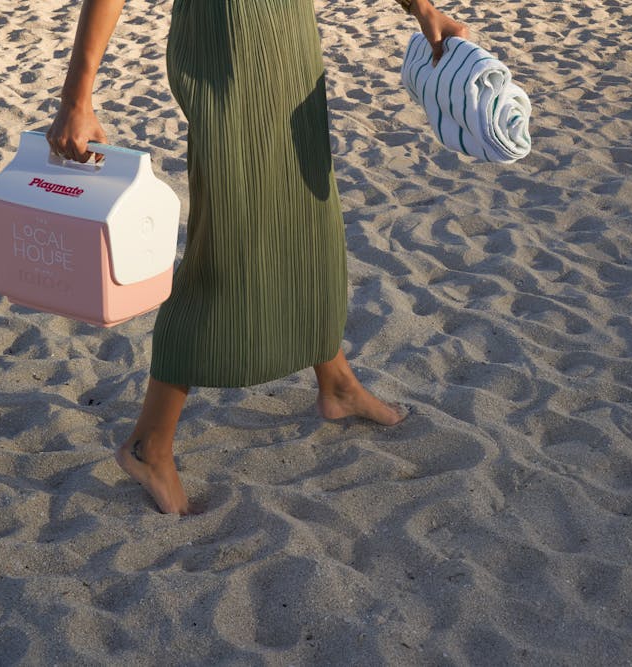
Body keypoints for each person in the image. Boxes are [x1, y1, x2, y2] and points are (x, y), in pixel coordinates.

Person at [47, 0, 470, 515]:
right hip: (224, 55)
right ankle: (148, 445)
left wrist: (422, 9)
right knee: (227, 247)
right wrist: (77, 98)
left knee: (308, 222)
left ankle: (335, 384)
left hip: (291, 51)